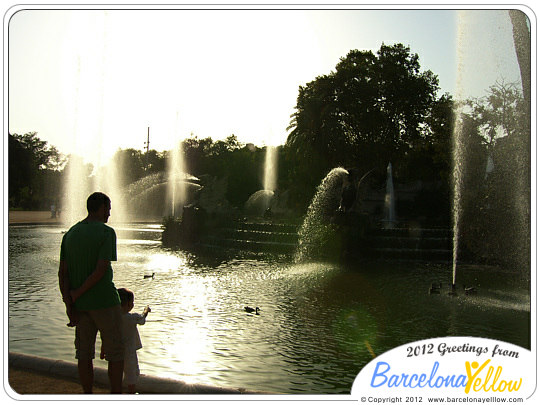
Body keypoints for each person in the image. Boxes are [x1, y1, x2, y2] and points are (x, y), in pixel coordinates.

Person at [58, 192, 124, 394]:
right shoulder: (106, 232)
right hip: (105, 302)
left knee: (84, 354)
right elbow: (100, 270)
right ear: (102, 208)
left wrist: (70, 304)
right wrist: (76, 294)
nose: (109, 215)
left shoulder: (70, 234)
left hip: (81, 307)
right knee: (115, 354)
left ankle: (87, 395)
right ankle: (115, 395)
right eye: (109, 210)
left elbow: (62, 274)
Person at [105, 288, 150, 394]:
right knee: (131, 373)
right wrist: (146, 311)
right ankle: (131, 393)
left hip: (116, 350)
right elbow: (142, 319)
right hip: (129, 351)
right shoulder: (131, 318)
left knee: (116, 373)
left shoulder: (112, 318)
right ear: (129, 305)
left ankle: (116, 391)